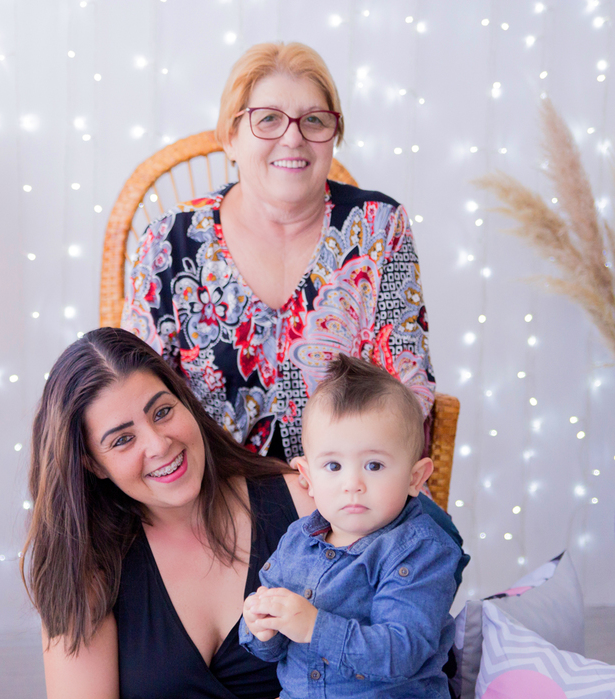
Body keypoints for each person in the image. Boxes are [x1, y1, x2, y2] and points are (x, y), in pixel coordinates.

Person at [0, 327, 323, 699]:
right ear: (92, 463)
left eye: (162, 411)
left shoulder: (302, 502)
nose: (157, 445)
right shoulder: (86, 561)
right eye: (121, 440)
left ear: (184, 402)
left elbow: (397, 623)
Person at [122, 41, 434, 465]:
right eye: (267, 119)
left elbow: (408, 390)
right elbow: (137, 400)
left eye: (315, 120)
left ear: (333, 137)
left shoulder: (380, 226)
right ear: (230, 138)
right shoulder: (167, 241)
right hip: (210, 495)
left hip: (351, 498)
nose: (293, 137)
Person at [216, 356, 461, 699]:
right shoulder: (298, 540)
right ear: (307, 477)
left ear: (415, 477)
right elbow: (267, 650)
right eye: (333, 467)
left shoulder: (421, 550)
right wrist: (260, 626)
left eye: (373, 466)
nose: (353, 484)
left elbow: (402, 652)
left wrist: (314, 626)